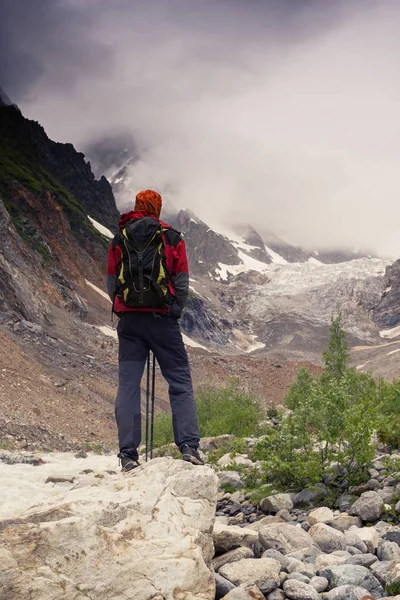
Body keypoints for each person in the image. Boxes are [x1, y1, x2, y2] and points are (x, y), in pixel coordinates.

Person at [106, 189, 203, 471]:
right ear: (157, 208)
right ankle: (188, 447)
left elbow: (112, 285)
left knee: (128, 386)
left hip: (130, 324)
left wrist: (124, 307)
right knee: (180, 382)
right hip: (162, 320)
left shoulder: (118, 239)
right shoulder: (171, 238)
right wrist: (173, 312)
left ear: (137, 206)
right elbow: (182, 283)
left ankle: (127, 455)